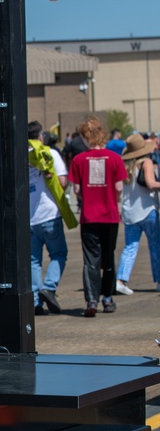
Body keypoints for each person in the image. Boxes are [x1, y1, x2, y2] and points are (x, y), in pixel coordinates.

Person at [68, 116, 126, 317]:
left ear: (85, 137)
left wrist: (88, 194)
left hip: (90, 216)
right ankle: (108, 299)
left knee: (91, 260)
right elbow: (119, 187)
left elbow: (76, 189)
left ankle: (91, 299)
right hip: (110, 215)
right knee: (108, 258)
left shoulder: (78, 160)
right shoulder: (115, 159)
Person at [27, 120, 70, 315]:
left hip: (30, 217)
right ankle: (49, 287)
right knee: (59, 254)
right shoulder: (50, 154)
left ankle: (36, 301)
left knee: (34, 261)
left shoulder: (24, 158)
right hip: (50, 213)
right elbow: (62, 182)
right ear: (41, 136)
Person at [115, 134, 160, 294]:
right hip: (147, 210)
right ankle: (159, 280)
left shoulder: (124, 165)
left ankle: (120, 280)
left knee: (130, 247)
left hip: (129, 212)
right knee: (155, 246)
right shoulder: (146, 162)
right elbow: (150, 183)